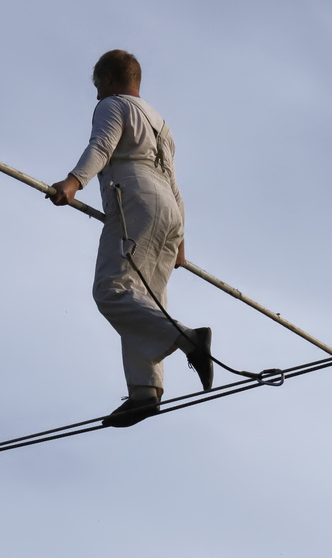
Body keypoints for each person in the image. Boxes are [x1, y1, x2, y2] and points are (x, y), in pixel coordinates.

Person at [48, 50, 212, 428]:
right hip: (168, 212)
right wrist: (180, 243)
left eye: (97, 86)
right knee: (143, 301)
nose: (95, 96)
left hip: (134, 200)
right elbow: (174, 185)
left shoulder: (112, 105)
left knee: (112, 290)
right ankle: (144, 392)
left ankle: (189, 340)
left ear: (107, 77)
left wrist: (73, 184)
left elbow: (102, 147)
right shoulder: (162, 125)